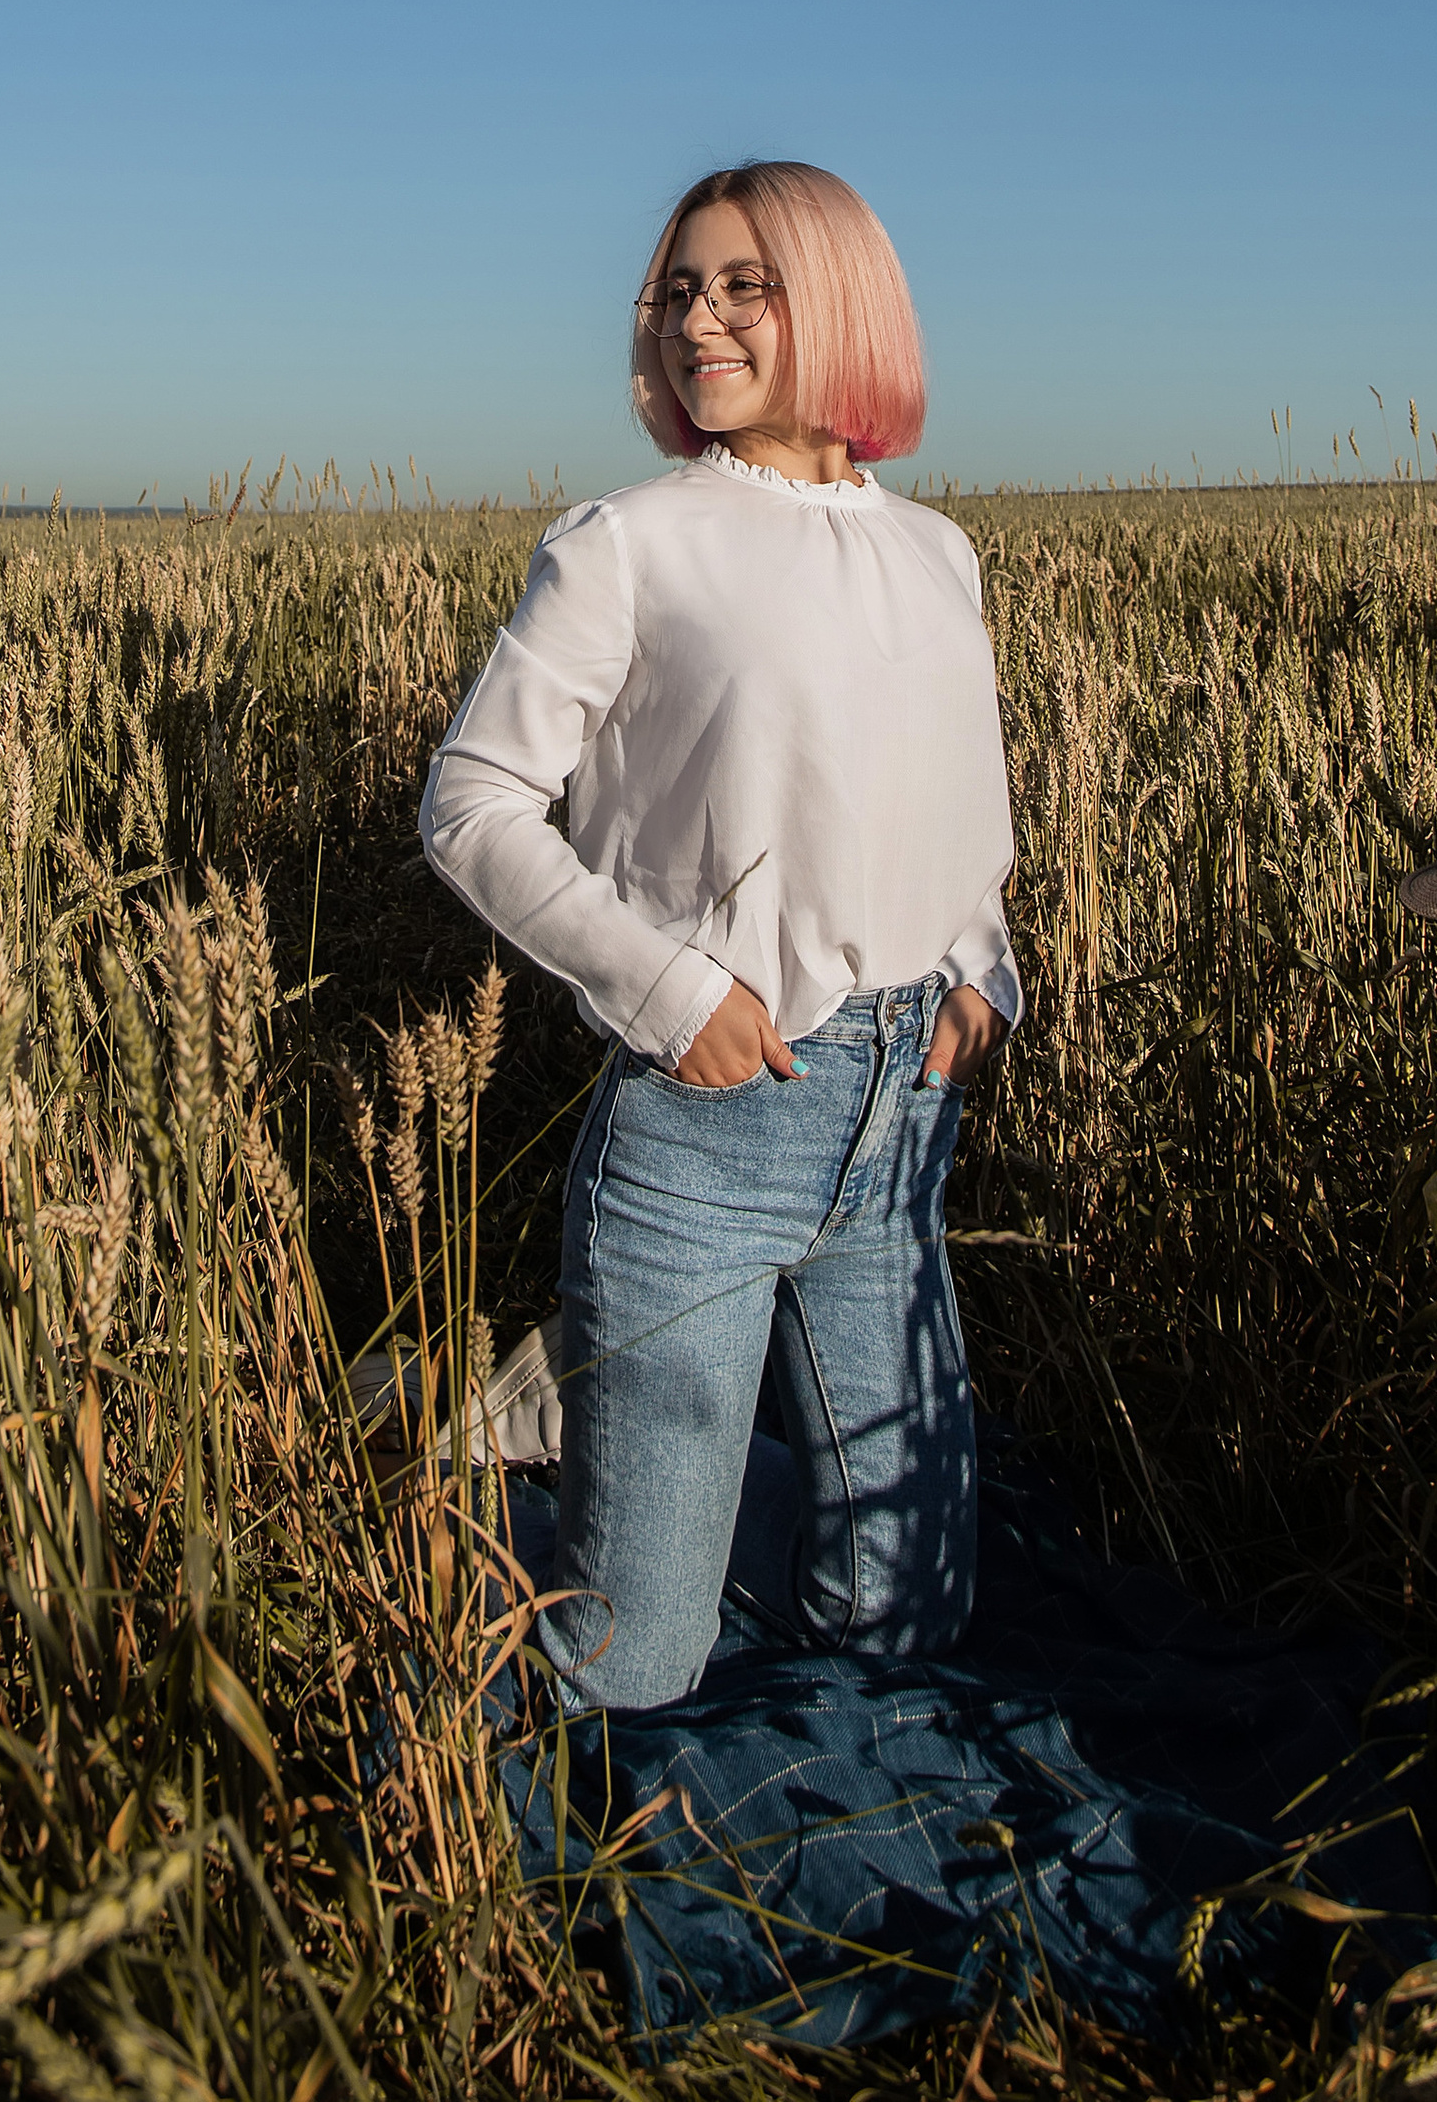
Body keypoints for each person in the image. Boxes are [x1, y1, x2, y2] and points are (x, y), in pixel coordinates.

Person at [418, 160, 1018, 1713]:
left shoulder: (938, 553)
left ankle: (564, 1401)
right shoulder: (633, 541)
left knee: (908, 1624)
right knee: (630, 1670)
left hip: (901, 1140)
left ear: (840, 297)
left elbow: (954, 809)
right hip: (706, 1126)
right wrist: (671, 989)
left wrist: (983, 967)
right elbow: (472, 803)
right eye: (680, 289)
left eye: (744, 283)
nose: (701, 318)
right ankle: (506, 1426)